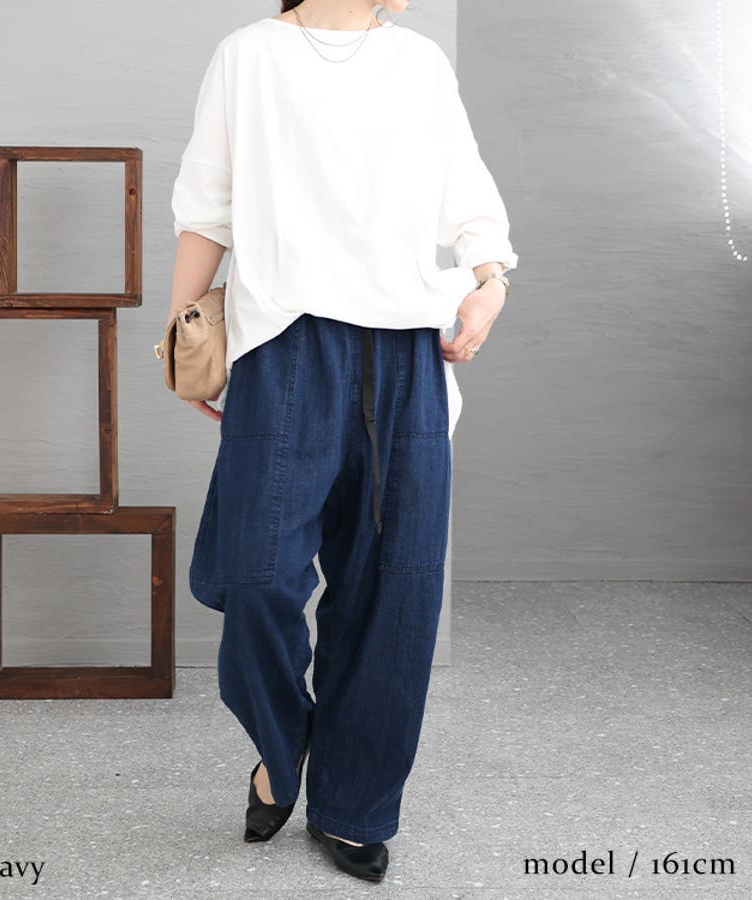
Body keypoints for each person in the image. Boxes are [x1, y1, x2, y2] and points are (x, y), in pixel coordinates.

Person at [168, 0, 518, 883]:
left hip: (406, 352)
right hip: (284, 344)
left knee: (396, 589)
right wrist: (182, 333)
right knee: (254, 574)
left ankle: (354, 804)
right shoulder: (247, 56)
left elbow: (467, 193)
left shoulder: (418, 62)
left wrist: (490, 284)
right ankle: (284, 746)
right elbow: (207, 207)